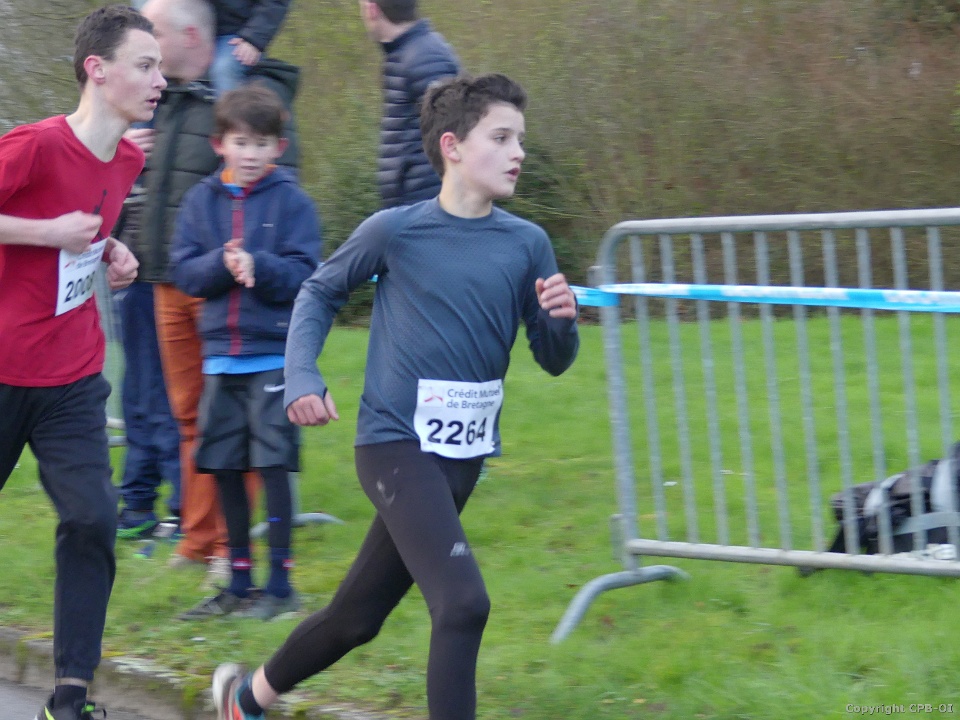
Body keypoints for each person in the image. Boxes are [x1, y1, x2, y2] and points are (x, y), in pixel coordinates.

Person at [210, 72, 580, 720]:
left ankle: (244, 700)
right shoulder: (396, 231)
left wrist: (561, 321)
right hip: (394, 445)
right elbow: (319, 292)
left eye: (520, 138)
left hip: (461, 457)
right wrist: (302, 376)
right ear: (452, 146)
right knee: (463, 603)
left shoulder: (528, 244)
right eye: (501, 138)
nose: (519, 152)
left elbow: (553, 360)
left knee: (357, 616)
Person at [0, 6, 163, 719]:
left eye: (160, 67)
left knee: (95, 519)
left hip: (71, 374)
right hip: (3, 369)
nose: (159, 80)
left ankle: (70, 697)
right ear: (98, 70)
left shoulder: (129, 159)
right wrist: (48, 233)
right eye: (145, 65)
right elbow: (55, 230)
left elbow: (85, 237)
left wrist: (111, 252)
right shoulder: (35, 146)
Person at [118, 0, 301, 580]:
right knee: (188, 419)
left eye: (154, 34)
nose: (146, 45)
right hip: (163, 281)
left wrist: (242, 264)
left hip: (223, 291)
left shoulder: (246, 99)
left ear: (192, 35)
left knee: (234, 427)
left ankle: (230, 546)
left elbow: (279, 193)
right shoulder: (162, 102)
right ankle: (196, 541)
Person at [170, 82, 321, 621]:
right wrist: (222, 263)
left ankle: (280, 587)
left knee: (273, 465)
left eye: (261, 143)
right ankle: (237, 583)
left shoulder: (293, 203)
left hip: (274, 358)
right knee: (224, 466)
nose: (251, 154)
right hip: (219, 360)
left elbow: (307, 275)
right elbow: (185, 271)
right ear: (219, 145)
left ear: (279, 147)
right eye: (240, 142)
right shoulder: (200, 201)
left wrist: (260, 265)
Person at [359, 0, 460, 208]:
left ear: (372, 9)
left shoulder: (427, 57)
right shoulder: (404, 53)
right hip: (412, 204)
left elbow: (452, 133)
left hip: (427, 205)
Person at [210, 0, 293, 94]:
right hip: (199, 30)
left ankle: (231, 103)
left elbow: (274, 3)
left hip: (239, 34)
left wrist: (253, 39)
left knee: (225, 68)